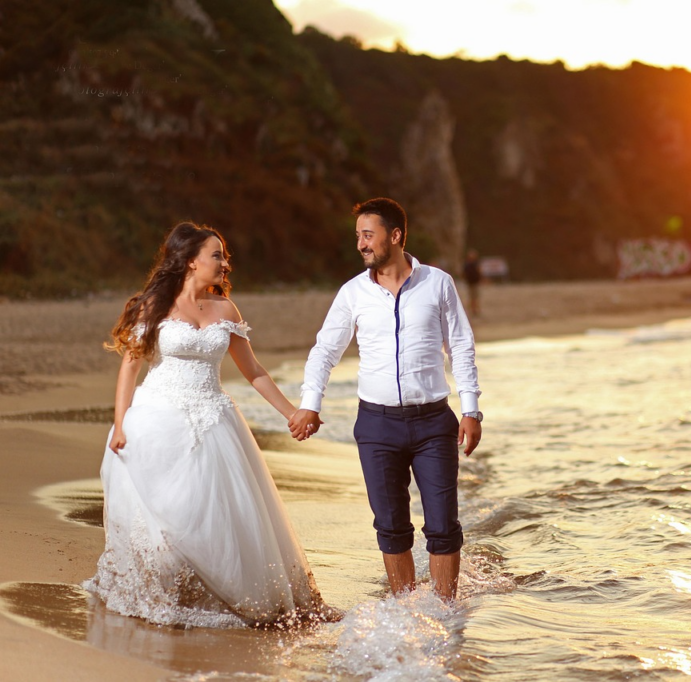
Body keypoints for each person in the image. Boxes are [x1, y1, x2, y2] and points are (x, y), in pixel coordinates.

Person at [83, 222, 338, 628]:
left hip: (214, 423)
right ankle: (162, 592)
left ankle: (214, 598)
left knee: (212, 519)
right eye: (216, 255)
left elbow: (253, 371)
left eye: (223, 255)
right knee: (165, 520)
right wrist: (119, 425)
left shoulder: (225, 310)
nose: (224, 262)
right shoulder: (154, 307)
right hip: (155, 423)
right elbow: (129, 369)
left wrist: (292, 412)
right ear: (190, 261)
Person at [289, 197, 482, 602]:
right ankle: (405, 611)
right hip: (377, 425)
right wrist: (310, 403)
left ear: (394, 236)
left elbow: (461, 347)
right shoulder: (352, 293)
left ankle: (447, 614)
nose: (360, 244)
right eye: (358, 236)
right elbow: (325, 351)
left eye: (368, 235)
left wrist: (470, 409)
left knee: (443, 523)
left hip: (433, 422)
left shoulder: (438, 283)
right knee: (391, 524)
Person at [463, 248, 482, 316]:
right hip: (471, 283)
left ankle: (474, 310)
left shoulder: (473, 264)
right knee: (473, 297)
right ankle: (473, 310)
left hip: (474, 282)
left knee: (474, 297)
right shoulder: (468, 265)